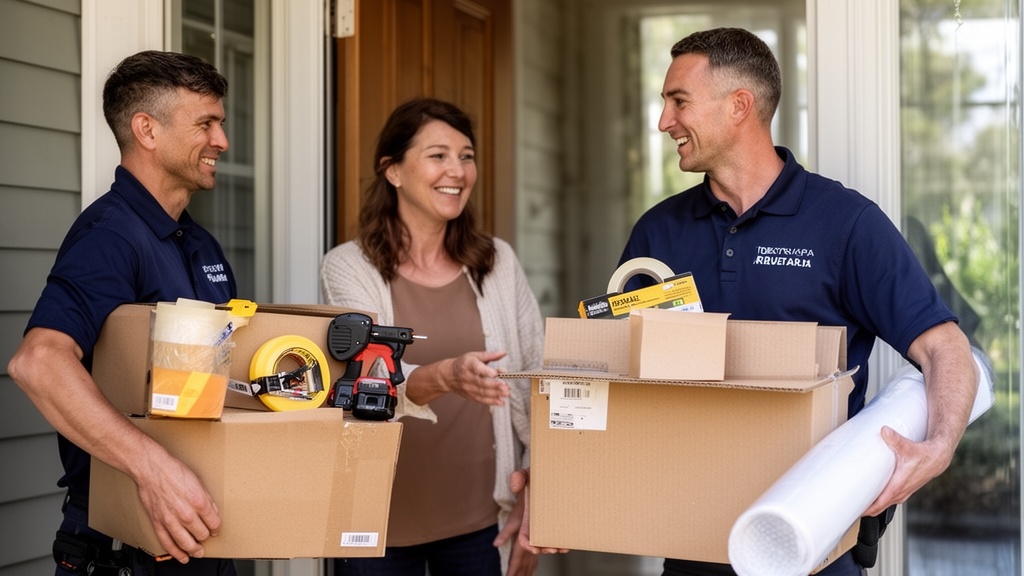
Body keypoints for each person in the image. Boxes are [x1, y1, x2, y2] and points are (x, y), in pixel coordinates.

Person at [614, 27, 978, 576]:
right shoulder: (657, 233)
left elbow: (943, 346)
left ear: (740, 106)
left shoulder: (846, 224)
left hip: (812, 540)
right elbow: (614, 373)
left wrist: (940, 446)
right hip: (691, 541)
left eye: (678, 101)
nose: (664, 121)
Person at [8, 50, 237, 575]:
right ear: (147, 130)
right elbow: (39, 362)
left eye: (220, 124)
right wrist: (153, 469)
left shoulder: (199, 243)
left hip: (196, 536)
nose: (221, 141)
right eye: (206, 123)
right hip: (123, 548)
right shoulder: (110, 236)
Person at [320, 97, 544, 576]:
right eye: (438, 155)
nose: (458, 170)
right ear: (393, 171)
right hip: (376, 524)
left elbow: (536, 383)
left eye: (466, 156)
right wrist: (447, 375)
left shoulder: (497, 263)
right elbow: (366, 383)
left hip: (483, 522)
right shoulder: (348, 268)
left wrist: (537, 499)